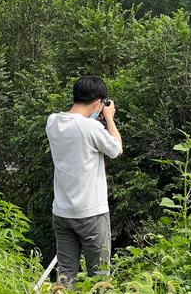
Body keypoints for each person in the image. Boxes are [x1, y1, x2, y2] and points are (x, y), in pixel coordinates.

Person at [45, 75, 123, 286]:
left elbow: (76, 127)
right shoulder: (91, 128)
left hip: (62, 211)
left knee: (65, 276)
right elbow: (116, 149)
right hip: (91, 214)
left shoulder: (52, 122)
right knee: (99, 279)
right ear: (98, 101)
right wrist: (109, 118)